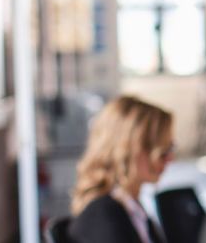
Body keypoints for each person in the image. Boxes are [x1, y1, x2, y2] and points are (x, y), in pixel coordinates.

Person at [68, 96, 174, 243]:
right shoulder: (102, 215)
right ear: (128, 150)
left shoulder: (132, 210)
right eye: (162, 152)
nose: (170, 159)